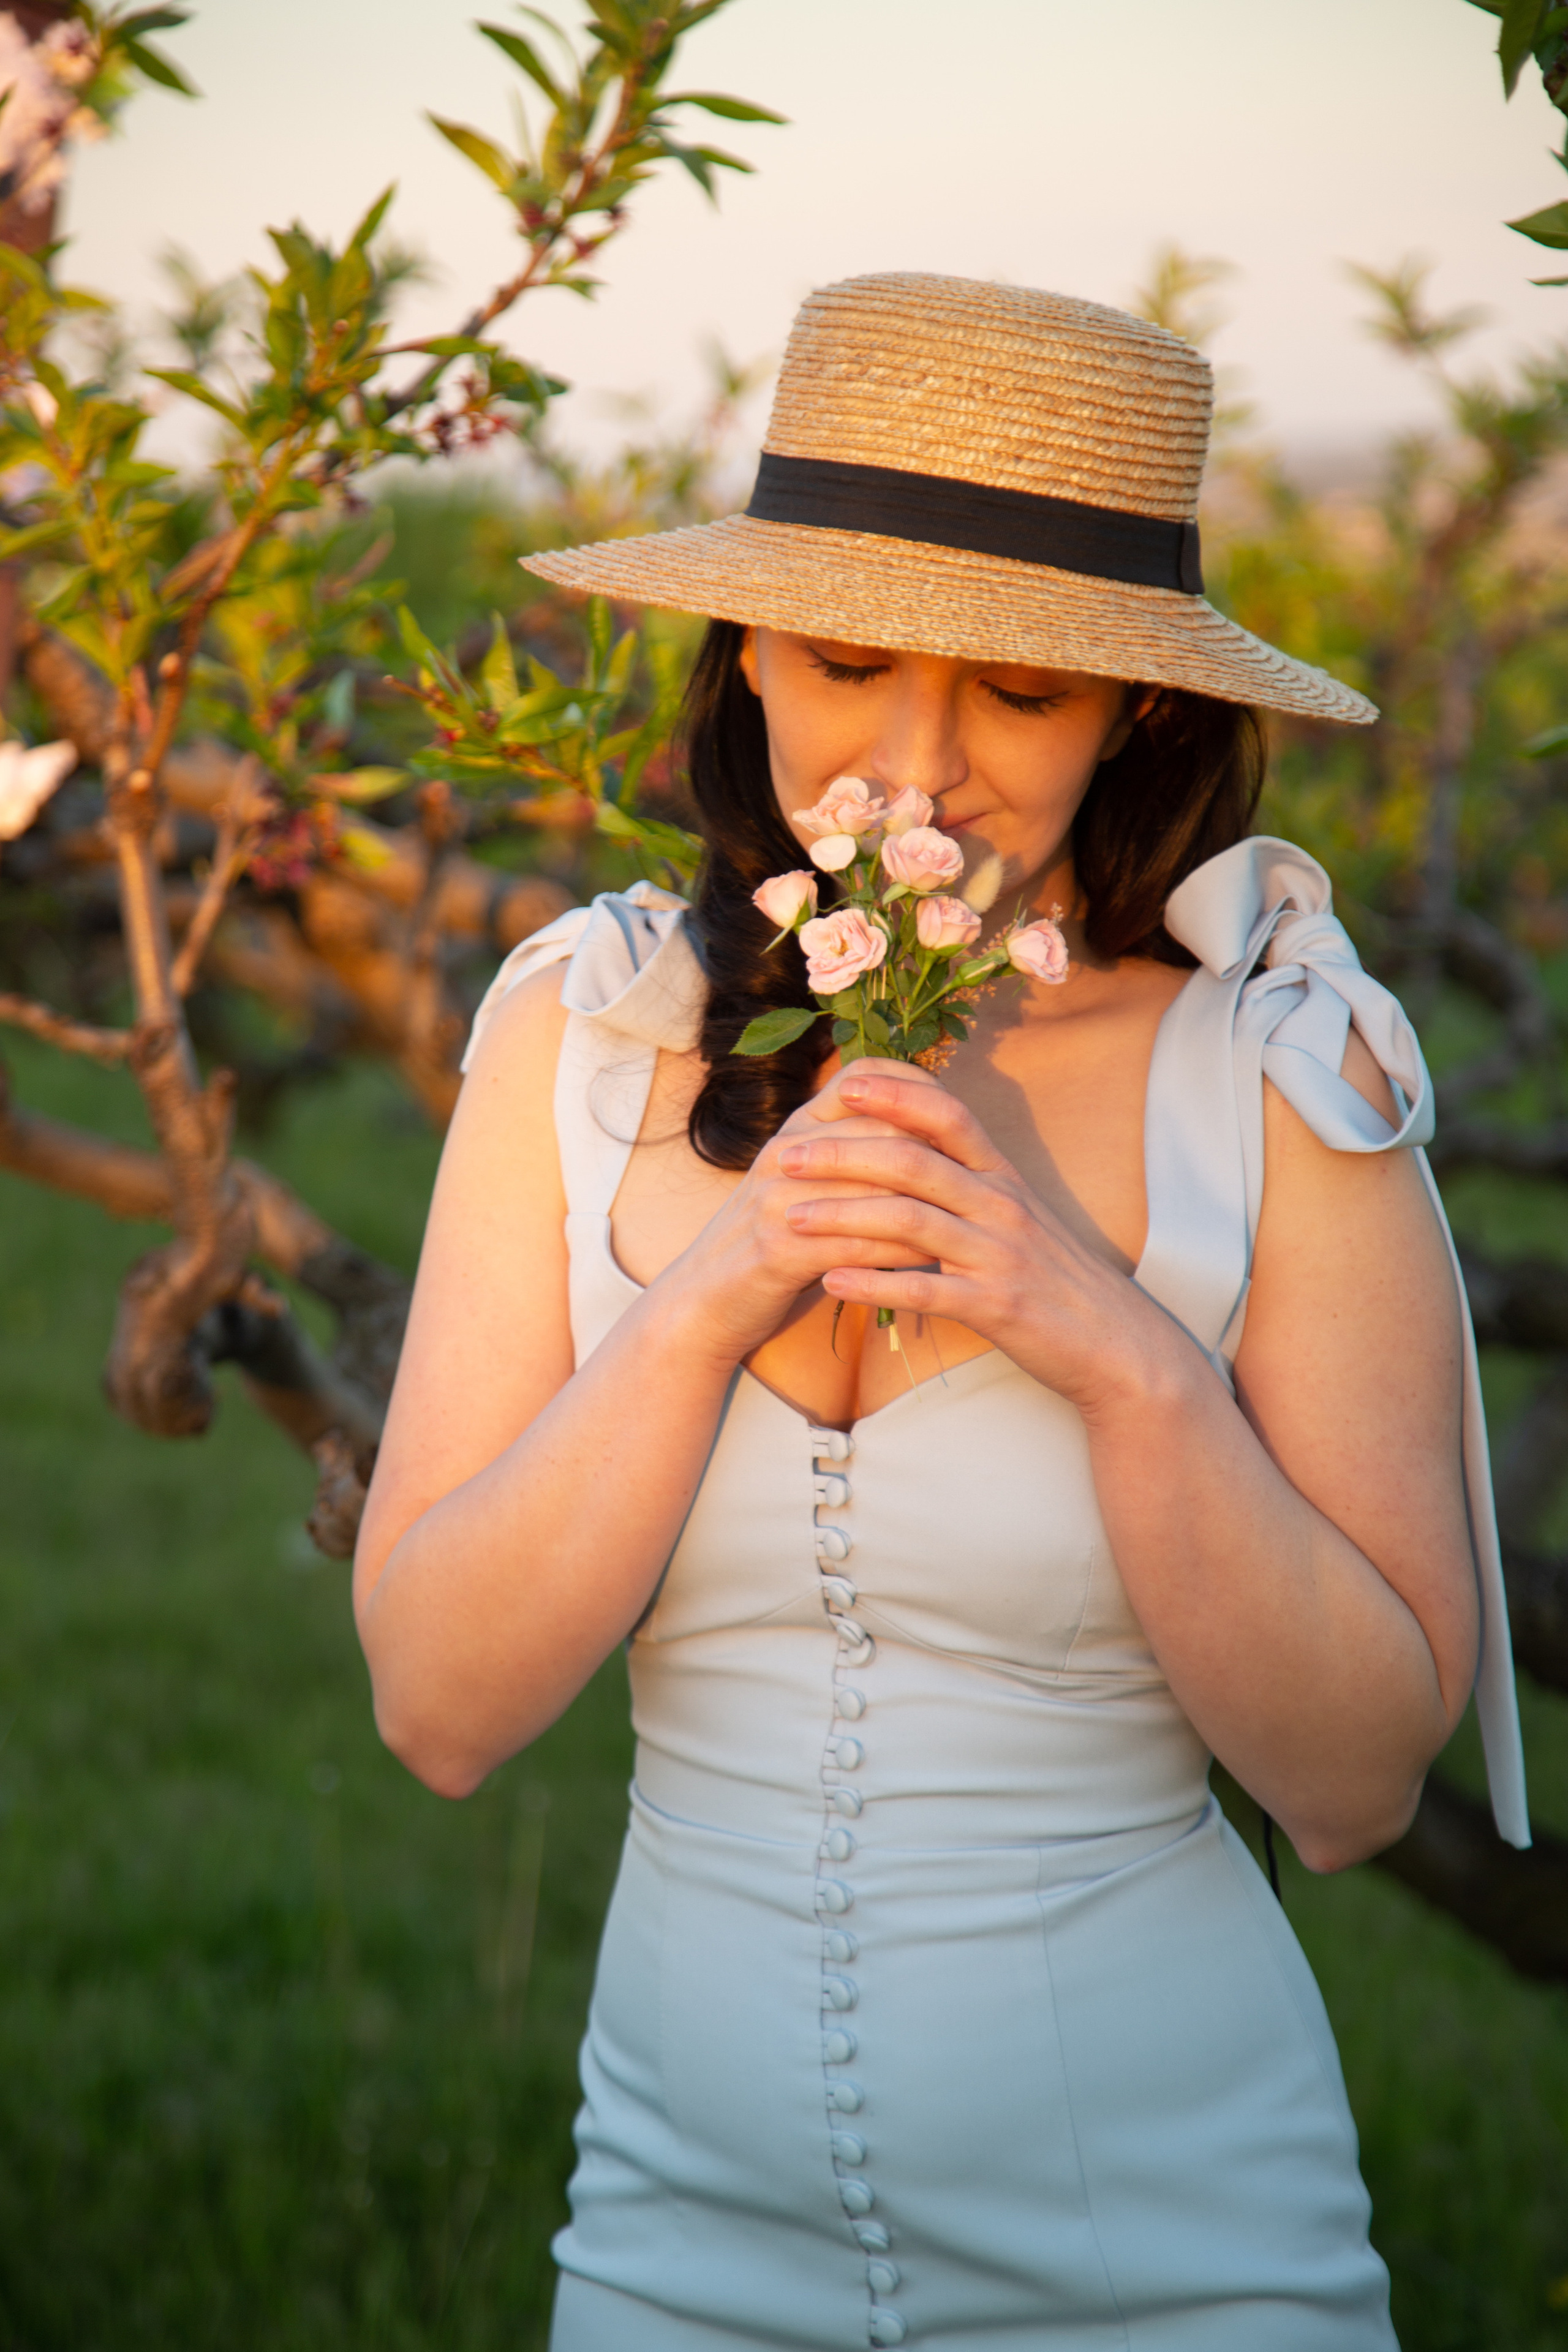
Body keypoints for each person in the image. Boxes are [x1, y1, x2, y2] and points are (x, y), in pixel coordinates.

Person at [353, 274, 1528, 2351]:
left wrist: (1107, 1343)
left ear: (1141, 709)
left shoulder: (1277, 1077)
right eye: (845, 663)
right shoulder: (585, 1032)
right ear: (745, 653)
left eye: (1020, 695)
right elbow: (439, 1712)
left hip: (1176, 2270)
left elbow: (1350, 1791)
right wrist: (715, 1288)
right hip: (661, 2258)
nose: (916, 768)